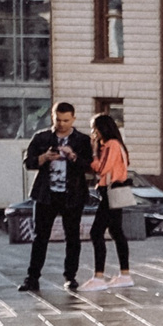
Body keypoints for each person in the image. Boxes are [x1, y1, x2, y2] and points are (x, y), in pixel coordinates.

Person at [19, 100, 95, 293]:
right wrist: (43, 158)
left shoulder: (82, 140)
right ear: (52, 117)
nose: (61, 124)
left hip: (73, 194)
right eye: (58, 120)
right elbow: (28, 162)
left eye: (65, 120)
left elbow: (90, 167)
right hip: (46, 194)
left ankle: (70, 277)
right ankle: (32, 278)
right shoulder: (41, 137)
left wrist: (73, 157)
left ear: (73, 119)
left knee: (72, 237)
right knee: (40, 237)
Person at [84, 111, 135, 291]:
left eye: (94, 129)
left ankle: (99, 277)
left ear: (102, 128)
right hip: (115, 191)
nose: (93, 133)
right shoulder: (117, 144)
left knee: (96, 232)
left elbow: (101, 168)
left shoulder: (111, 145)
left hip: (110, 192)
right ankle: (125, 274)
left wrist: (93, 150)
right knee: (116, 232)